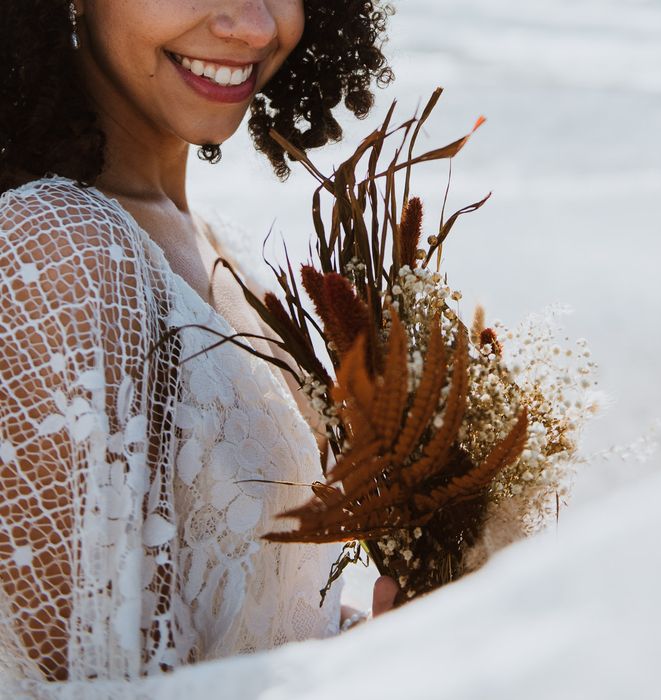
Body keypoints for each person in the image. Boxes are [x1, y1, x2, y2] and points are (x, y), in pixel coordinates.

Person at [0, 0, 398, 695]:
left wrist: (379, 639)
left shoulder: (222, 251)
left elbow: (258, 631)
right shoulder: (59, 256)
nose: (253, 25)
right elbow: (92, 685)